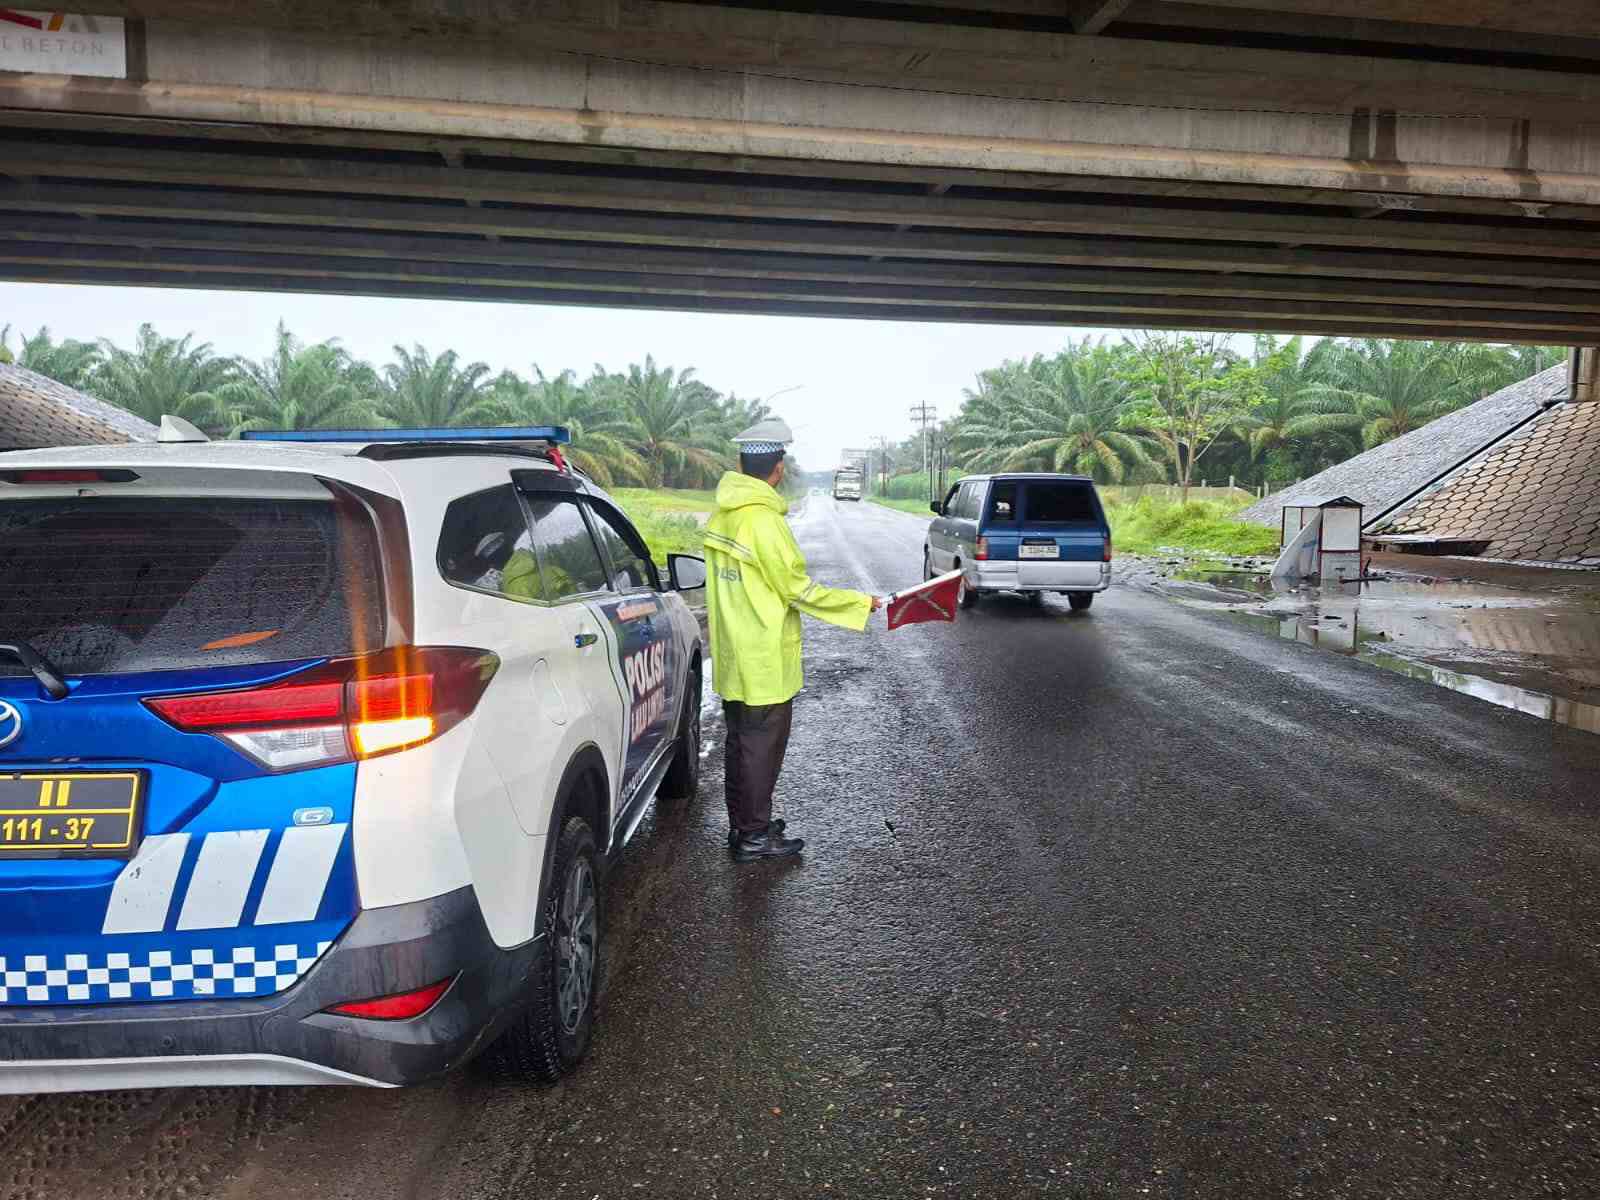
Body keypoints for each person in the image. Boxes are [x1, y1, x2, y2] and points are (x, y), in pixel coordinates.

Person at [704, 419, 882, 862]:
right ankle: (754, 837)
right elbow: (797, 590)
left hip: (733, 653)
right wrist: (860, 603)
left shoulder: (723, 514)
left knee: (741, 745)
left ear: (743, 465)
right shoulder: (763, 522)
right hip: (762, 657)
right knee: (760, 750)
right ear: (777, 468)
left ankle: (745, 825)